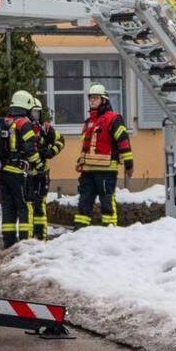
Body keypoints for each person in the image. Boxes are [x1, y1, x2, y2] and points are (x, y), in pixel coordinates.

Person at [72, 83, 134, 228]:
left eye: (95, 98)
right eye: (90, 98)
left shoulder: (113, 119)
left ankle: (110, 231)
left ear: (104, 100)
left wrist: (129, 164)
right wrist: (80, 161)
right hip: (87, 171)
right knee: (84, 202)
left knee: (107, 202)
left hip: (106, 170)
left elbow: (123, 142)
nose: (92, 101)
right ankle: (80, 233)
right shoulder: (89, 122)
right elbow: (88, 146)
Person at [0, 91, 42, 249]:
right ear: (26, 105)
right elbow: (30, 149)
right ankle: (26, 245)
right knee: (25, 207)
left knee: (8, 209)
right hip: (18, 173)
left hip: (3, 172)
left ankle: (8, 245)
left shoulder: (5, 122)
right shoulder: (23, 123)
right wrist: (38, 165)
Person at [26, 92, 62, 240]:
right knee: (28, 204)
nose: (35, 115)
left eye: (37, 112)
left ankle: (41, 236)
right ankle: (27, 236)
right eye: (33, 111)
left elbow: (61, 141)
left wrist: (50, 152)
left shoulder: (46, 128)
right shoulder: (23, 127)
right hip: (27, 173)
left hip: (42, 172)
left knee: (40, 204)